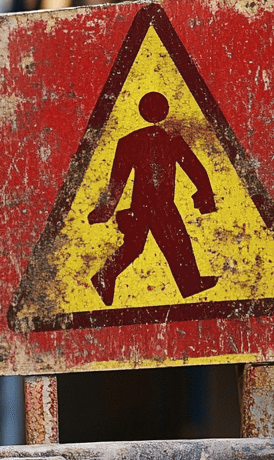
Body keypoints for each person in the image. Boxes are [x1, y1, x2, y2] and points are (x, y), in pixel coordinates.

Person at [88, 90, 220, 305]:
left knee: (141, 246)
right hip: (159, 206)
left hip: (143, 206)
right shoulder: (169, 139)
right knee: (176, 243)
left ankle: (106, 276)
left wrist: (104, 211)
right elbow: (197, 171)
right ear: (165, 110)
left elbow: (116, 183)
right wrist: (205, 197)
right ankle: (188, 283)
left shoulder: (131, 141)